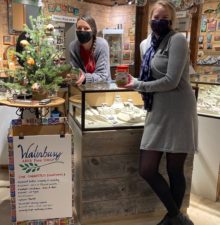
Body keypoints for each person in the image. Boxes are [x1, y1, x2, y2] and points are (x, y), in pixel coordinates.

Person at [123, 1, 197, 225]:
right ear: (150, 18)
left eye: (165, 17)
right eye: (156, 16)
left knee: (175, 168)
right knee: (147, 169)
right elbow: (148, 77)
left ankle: (171, 219)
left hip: (179, 110)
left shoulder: (178, 40)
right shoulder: (145, 44)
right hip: (157, 110)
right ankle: (177, 217)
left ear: (171, 20)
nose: (160, 21)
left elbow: (172, 81)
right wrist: (133, 83)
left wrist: (137, 85)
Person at [69, 15, 111, 86]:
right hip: (83, 89)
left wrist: (85, 78)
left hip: (102, 88)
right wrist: (74, 76)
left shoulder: (102, 45)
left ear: (93, 31)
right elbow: (76, 71)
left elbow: (103, 75)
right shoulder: (73, 46)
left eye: (86, 28)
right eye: (79, 28)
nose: (82, 31)